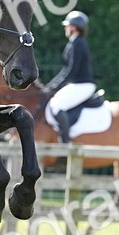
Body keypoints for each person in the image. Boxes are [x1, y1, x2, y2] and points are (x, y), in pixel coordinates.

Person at [45, 10, 96, 143]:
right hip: (77, 84)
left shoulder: (78, 43)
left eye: (67, 25)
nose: (65, 28)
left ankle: (66, 141)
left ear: (73, 27)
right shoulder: (74, 42)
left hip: (82, 85)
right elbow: (66, 70)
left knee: (56, 106)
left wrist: (56, 86)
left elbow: (72, 70)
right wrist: (51, 85)